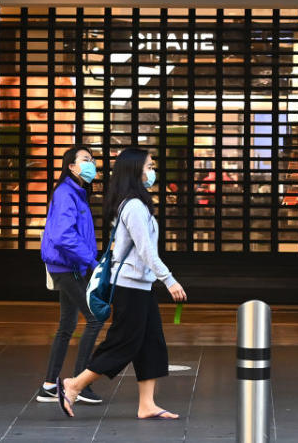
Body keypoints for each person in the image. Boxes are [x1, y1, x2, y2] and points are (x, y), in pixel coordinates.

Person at [56, 147, 188, 419]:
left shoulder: (137, 203)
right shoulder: (134, 206)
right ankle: (74, 385)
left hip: (141, 285)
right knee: (123, 343)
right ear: (134, 170)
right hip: (130, 287)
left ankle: (147, 405)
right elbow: (146, 251)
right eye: (149, 167)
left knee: (151, 343)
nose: (152, 172)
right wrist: (169, 279)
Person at [37, 146, 104, 405]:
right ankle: (79, 384)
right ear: (72, 167)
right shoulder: (67, 193)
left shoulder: (76, 192)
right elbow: (63, 235)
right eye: (86, 160)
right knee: (95, 318)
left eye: (92, 160)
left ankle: (48, 386)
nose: (92, 164)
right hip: (68, 267)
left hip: (69, 266)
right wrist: (91, 261)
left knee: (67, 326)